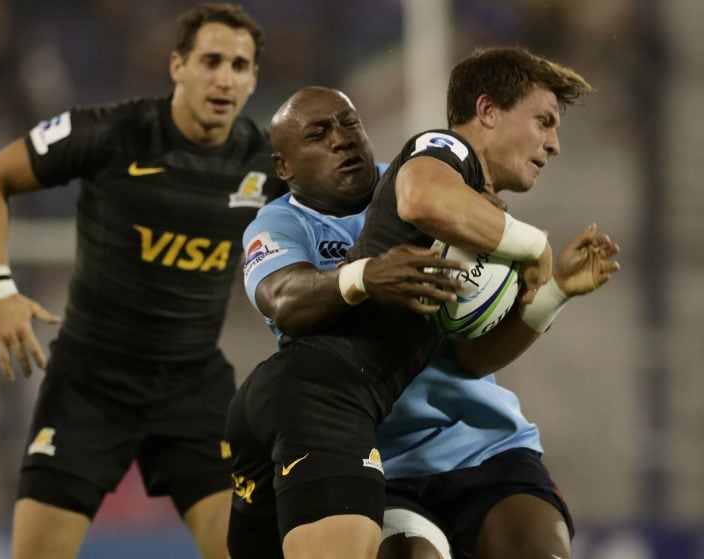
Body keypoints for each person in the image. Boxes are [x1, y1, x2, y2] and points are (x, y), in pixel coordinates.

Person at [227, 47, 608, 559]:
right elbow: (282, 297)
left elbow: (473, 358)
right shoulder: (419, 167)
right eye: (320, 134)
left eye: (351, 124)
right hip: (369, 443)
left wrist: (555, 289)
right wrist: (364, 275)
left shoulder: (462, 202)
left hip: (478, 442)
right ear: (285, 166)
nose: (343, 140)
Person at [0, 4, 287, 559]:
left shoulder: (265, 163)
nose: (224, 77)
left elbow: (338, 220)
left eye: (238, 65)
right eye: (210, 61)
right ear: (177, 65)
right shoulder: (114, 132)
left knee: (244, 548)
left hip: (192, 386)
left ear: (253, 79)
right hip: (90, 384)